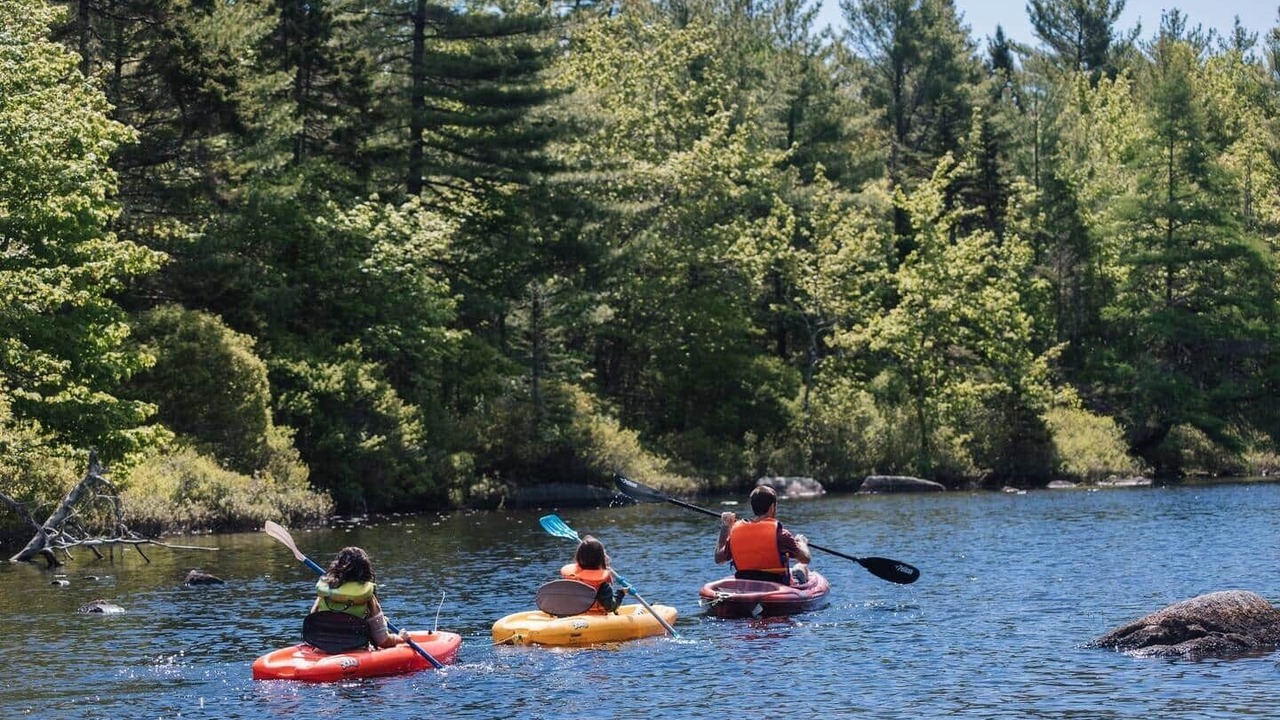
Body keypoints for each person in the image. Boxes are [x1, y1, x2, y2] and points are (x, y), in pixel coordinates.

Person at [303, 546, 407, 651]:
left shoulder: (325, 594)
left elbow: (312, 628)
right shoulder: (368, 597)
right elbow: (383, 641)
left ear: (336, 566)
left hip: (322, 650)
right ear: (366, 570)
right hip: (356, 651)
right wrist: (400, 638)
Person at [715, 485, 811, 585]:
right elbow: (805, 558)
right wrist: (802, 543)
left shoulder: (735, 534)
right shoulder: (782, 535)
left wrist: (725, 526)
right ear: (772, 507)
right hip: (777, 584)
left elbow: (719, 559)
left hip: (746, 583)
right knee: (801, 567)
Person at [560, 535, 628, 613]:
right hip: (596, 617)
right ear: (601, 559)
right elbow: (610, 607)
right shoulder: (603, 585)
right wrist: (621, 593)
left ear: (579, 556)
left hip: (572, 614)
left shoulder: (572, 577)